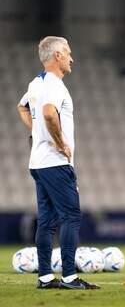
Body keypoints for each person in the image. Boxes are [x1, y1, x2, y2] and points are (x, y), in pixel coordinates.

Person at [17, 36, 100, 290]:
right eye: (68, 52)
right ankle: (69, 277)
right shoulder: (54, 84)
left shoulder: (36, 83)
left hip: (38, 164)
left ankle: (44, 278)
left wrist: (38, 132)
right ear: (57, 56)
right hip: (55, 162)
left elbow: (21, 107)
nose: (72, 57)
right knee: (71, 216)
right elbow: (48, 113)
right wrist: (61, 142)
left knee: (46, 221)